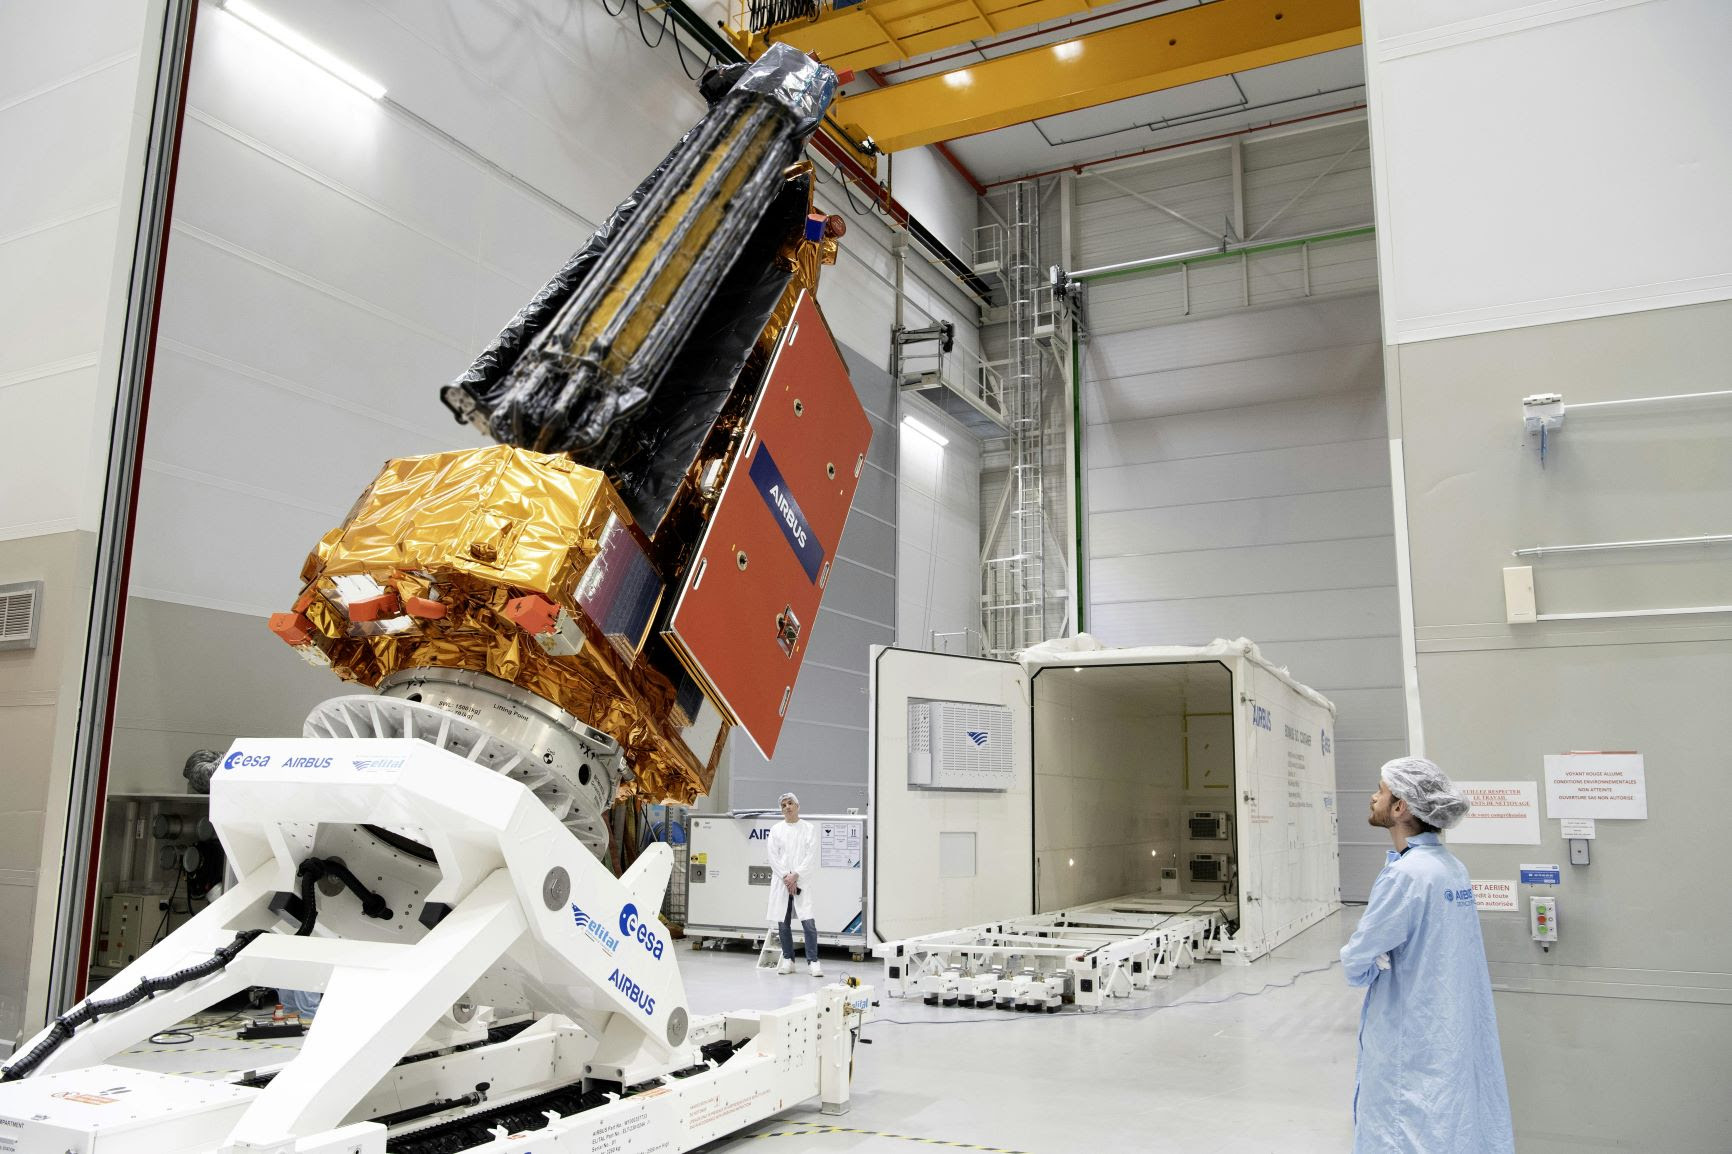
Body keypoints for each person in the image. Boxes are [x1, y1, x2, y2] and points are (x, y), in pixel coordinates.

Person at [1341, 757, 1514, 1153]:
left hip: (1412, 1032)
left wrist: (1369, 963)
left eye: (1381, 792)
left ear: (1400, 807)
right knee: (1445, 1123)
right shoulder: (1451, 868)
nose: (1372, 798)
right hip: (1445, 1027)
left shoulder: (1406, 875)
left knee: (1405, 1127)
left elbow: (1357, 959)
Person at [765, 791, 822, 976]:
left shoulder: (808, 829)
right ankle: (788, 960)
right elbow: (773, 857)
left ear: (797, 806)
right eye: (783, 805)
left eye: (790, 803)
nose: (787, 807)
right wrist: (786, 876)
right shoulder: (776, 830)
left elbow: (811, 856)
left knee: (808, 922)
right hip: (782, 883)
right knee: (783, 922)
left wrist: (796, 875)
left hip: (801, 881)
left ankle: (813, 962)